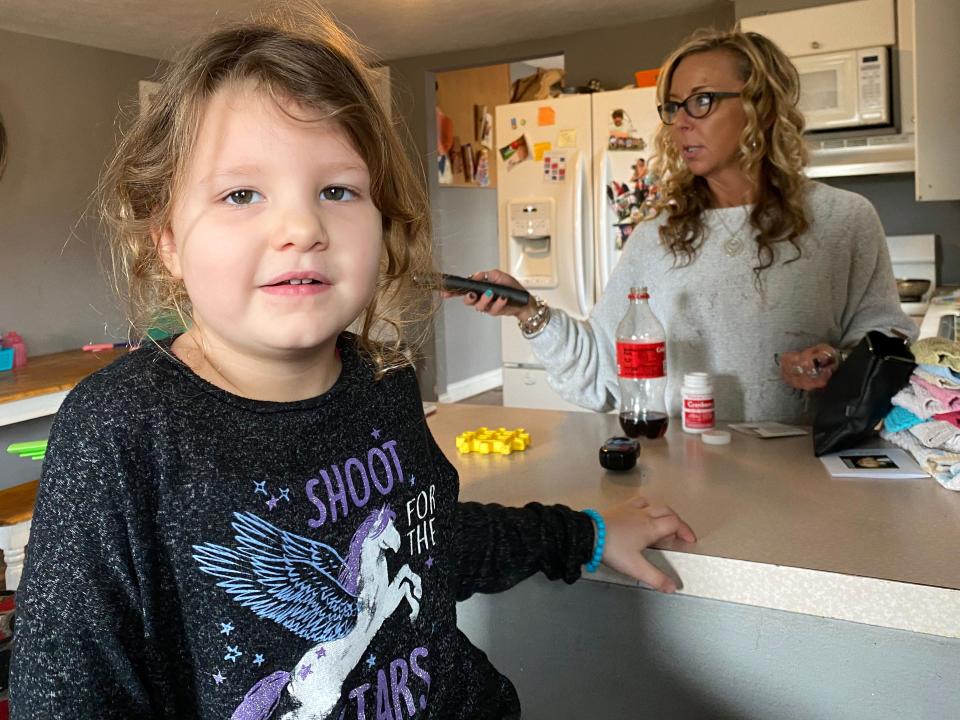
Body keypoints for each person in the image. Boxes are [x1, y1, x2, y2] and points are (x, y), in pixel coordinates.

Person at [9, 6, 695, 719]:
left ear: (384, 222)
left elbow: (427, 540)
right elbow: (69, 694)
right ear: (168, 242)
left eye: (337, 190)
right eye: (242, 194)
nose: (302, 227)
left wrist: (582, 534)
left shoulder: (384, 380)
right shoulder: (120, 431)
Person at [461, 29, 916, 423]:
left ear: (763, 107)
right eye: (673, 106)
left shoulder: (844, 221)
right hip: (685, 473)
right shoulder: (655, 237)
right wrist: (526, 310)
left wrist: (834, 362)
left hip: (805, 469)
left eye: (702, 101)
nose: (680, 123)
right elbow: (601, 368)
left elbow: (887, 347)